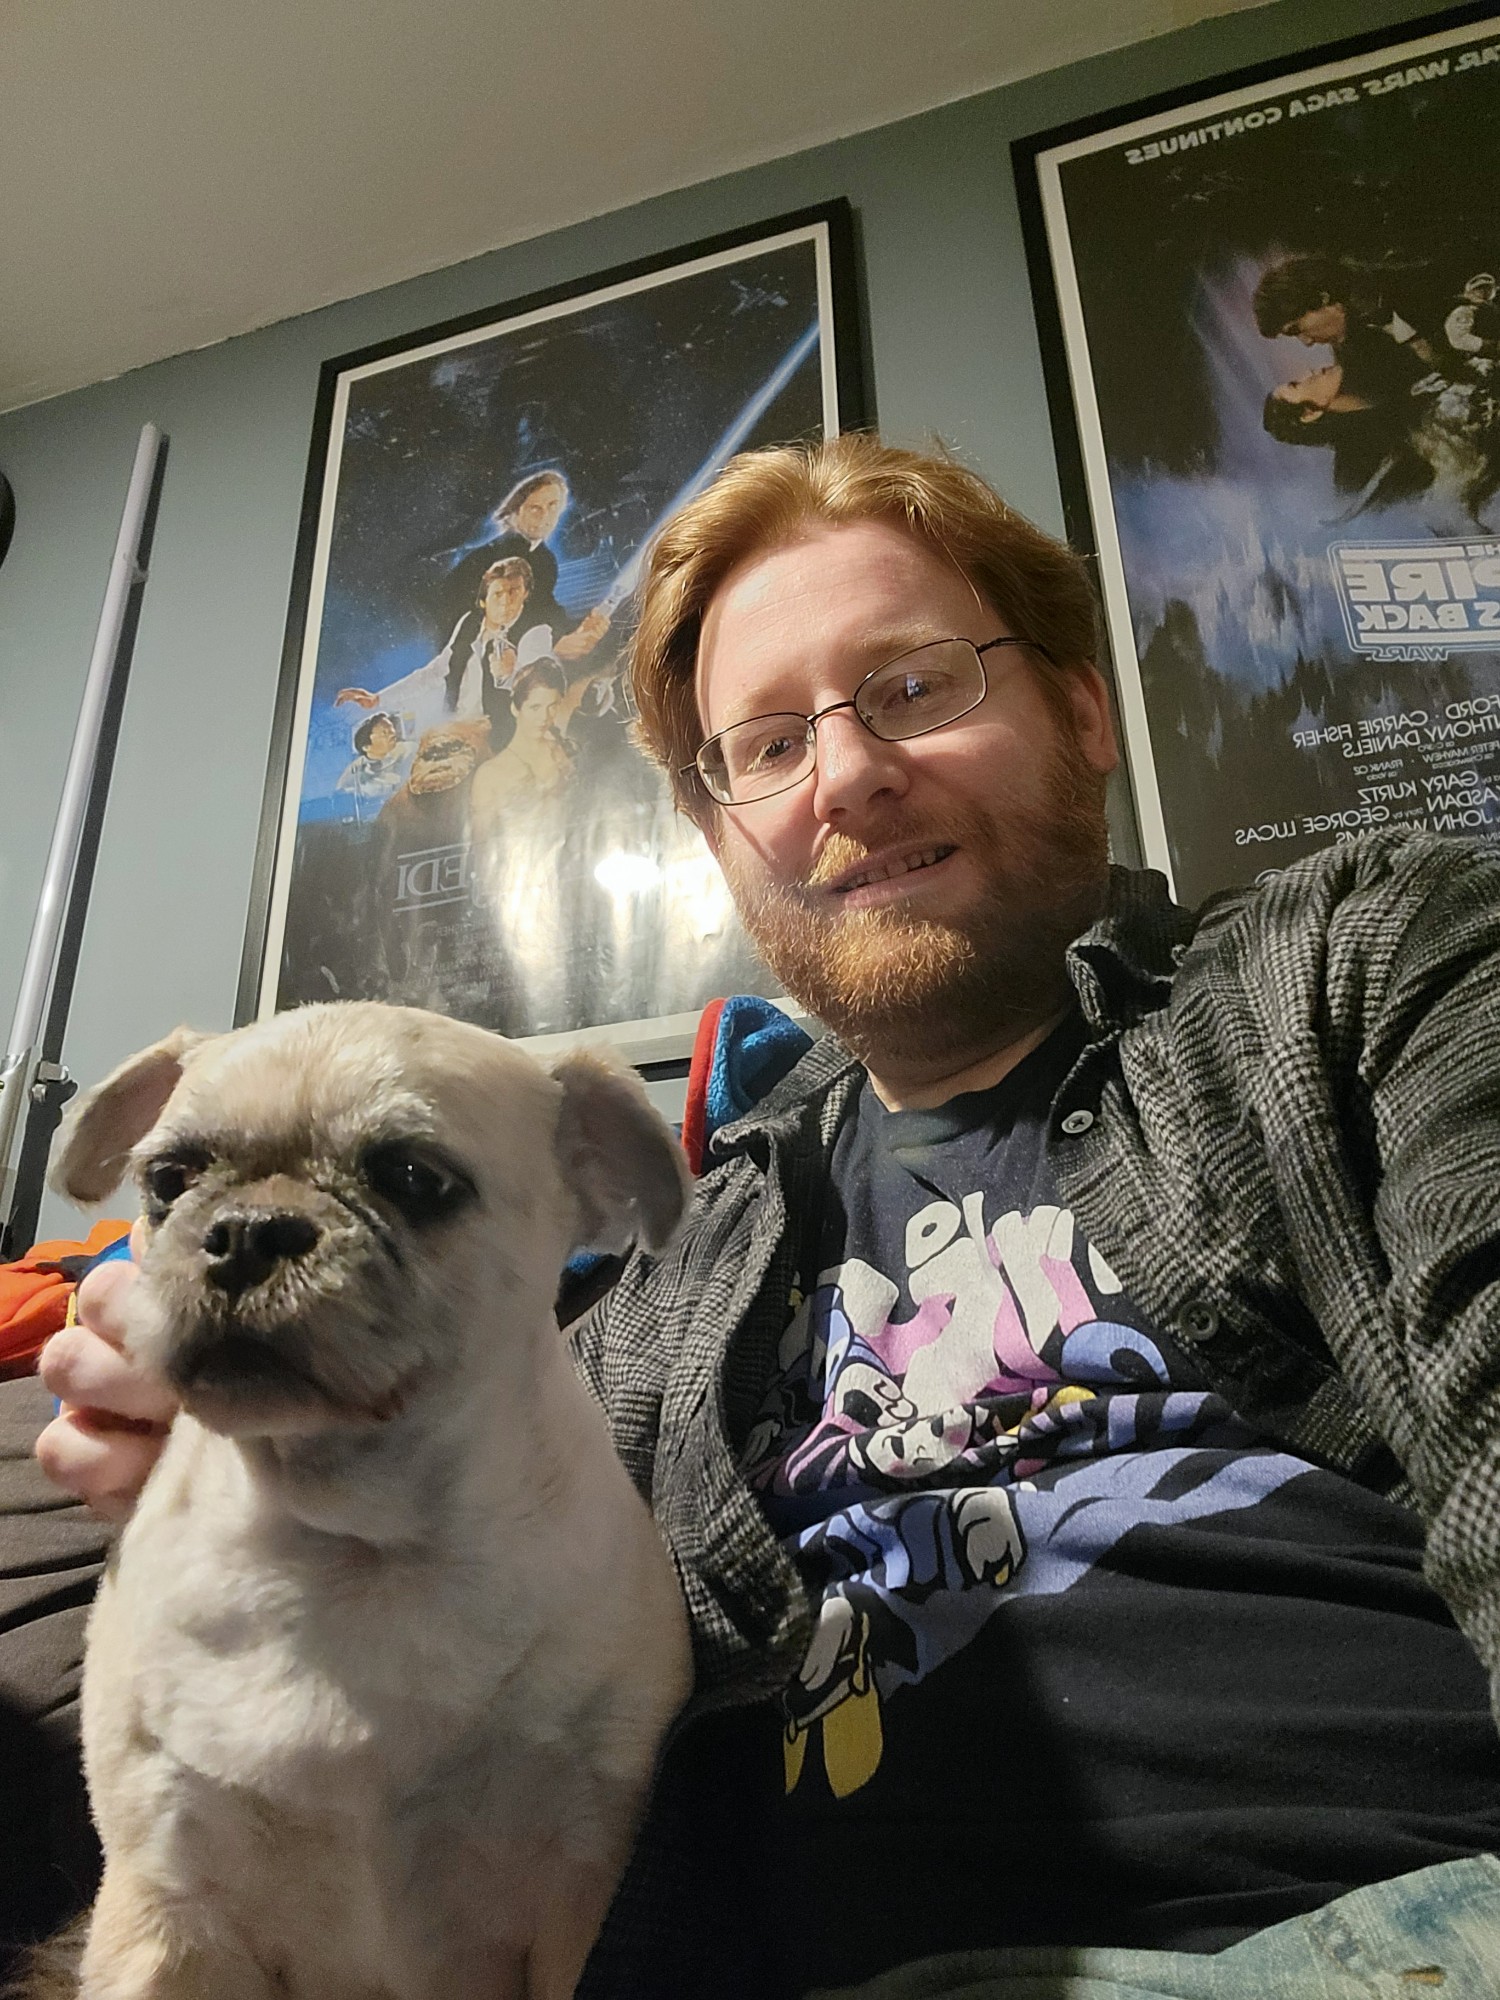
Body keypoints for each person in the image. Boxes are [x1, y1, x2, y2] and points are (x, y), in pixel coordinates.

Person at [14, 435, 1500, 1999]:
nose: (847, 775)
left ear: (1081, 711)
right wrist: (247, 1440)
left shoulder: (1359, 971)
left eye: (914, 686)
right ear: (724, 832)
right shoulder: (695, 1251)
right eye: (770, 744)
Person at [335, 553, 536, 746]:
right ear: (484, 600)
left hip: (499, 740)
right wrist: (378, 699)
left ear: (525, 594)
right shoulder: (469, 623)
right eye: (498, 594)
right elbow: (435, 671)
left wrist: (512, 675)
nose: (506, 602)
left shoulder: (535, 634)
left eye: (514, 591)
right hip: (456, 729)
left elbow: (539, 690)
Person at [438, 470, 611, 665]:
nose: (546, 516)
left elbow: (544, 607)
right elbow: (477, 621)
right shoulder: (492, 558)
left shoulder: (544, 559)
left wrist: (580, 628)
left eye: (553, 506)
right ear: (515, 511)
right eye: (535, 508)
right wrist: (554, 644)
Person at [333, 709, 413, 822]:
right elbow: (342, 798)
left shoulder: (409, 750)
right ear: (366, 747)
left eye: (391, 728)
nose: (393, 733)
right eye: (384, 733)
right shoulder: (356, 769)